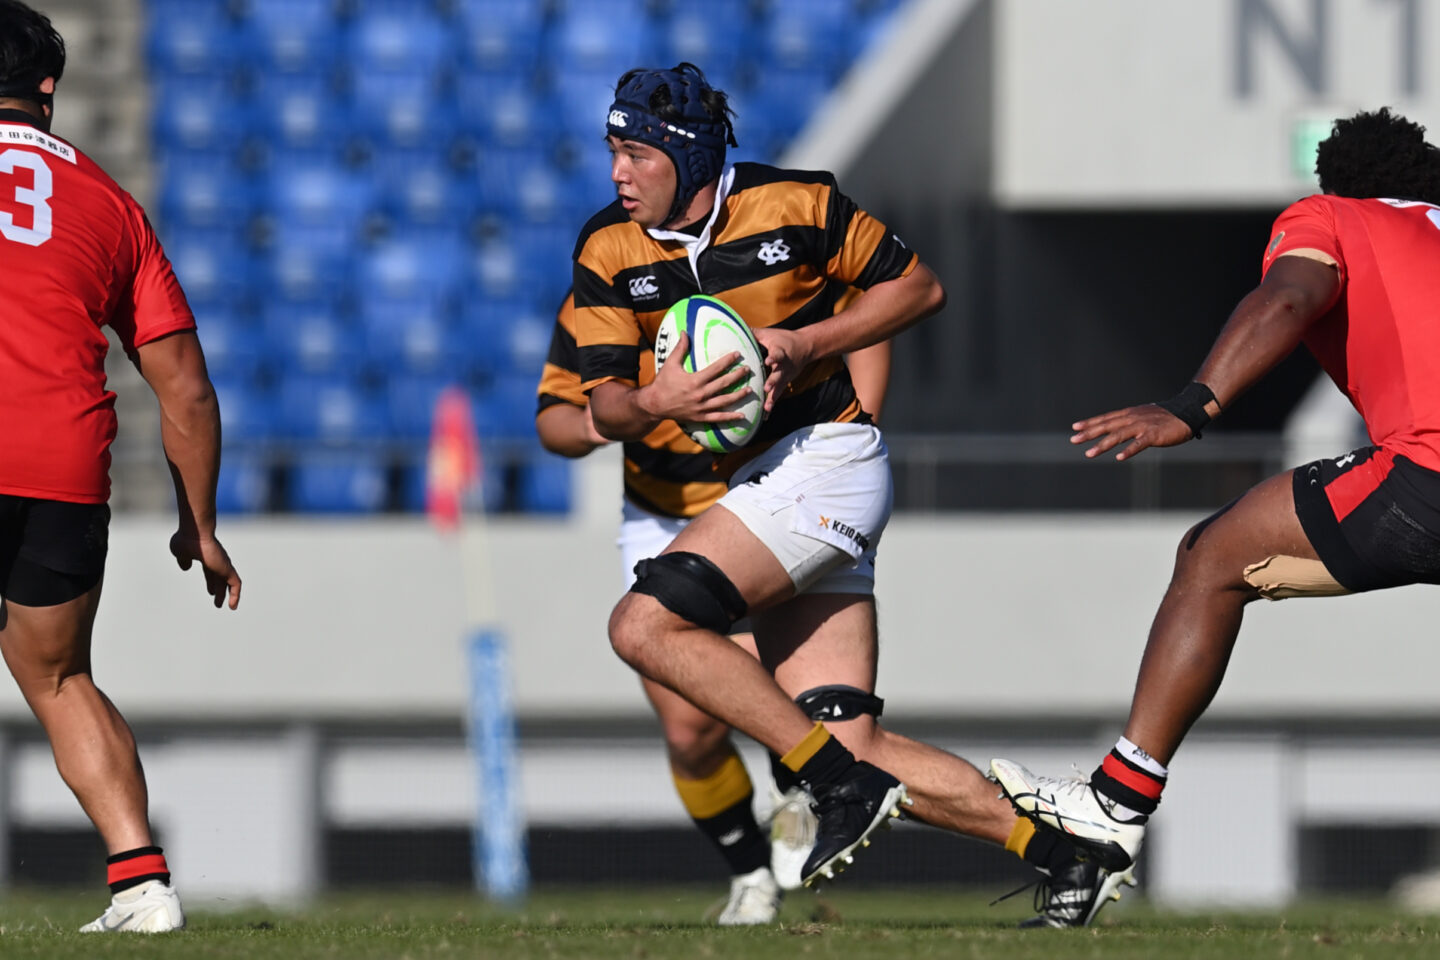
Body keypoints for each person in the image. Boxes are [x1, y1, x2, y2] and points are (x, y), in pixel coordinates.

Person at [571, 61, 1133, 926]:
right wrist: (654, 402)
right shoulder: (607, 246)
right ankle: (1070, 860)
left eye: (637, 154)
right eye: (613, 152)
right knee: (852, 739)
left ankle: (840, 789)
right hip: (765, 479)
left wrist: (806, 344)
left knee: (641, 626)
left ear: (689, 158)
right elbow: (602, 400)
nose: (618, 172)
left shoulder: (799, 204)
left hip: (826, 459)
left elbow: (919, 288)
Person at [990, 108, 1440, 877]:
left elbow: (1288, 299)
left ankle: (1115, 803)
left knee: (1212, 557)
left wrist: (1194, 405)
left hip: (1426, 474)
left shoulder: (1330, 216)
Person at [0, 0, 241, 933]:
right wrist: (201, 524)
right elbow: (186, 389)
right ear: (47, 90)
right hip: (62, 463)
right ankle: (143, 887)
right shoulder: (108, 201)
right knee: (61, 681)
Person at [537, 288, 888, 923]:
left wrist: (851, 427)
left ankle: (802, 782)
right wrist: (615, 418)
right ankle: (752, 873)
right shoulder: (602, 289)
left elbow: (866, 315)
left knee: (773, 686)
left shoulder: (760, 260)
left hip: (771, 493)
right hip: (660, 513)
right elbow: (553, 420)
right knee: (689, 729)